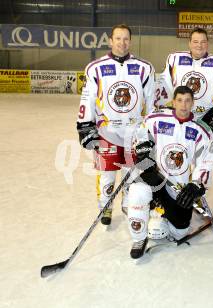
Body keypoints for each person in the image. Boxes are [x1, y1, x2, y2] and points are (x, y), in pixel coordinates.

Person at [76, 24, 156, 225]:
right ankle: (106, 207)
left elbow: (152, 101)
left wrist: (150, 132)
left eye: (126, 39)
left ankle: (128, 205)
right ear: (111, 41)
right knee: (107, 177)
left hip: (134, 133)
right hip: (107, 132)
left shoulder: (144, 68)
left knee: (132, 177)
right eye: (118, 39)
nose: (122, 43)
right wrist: (85, 125)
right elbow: (88, 98)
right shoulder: (96, 68)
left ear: (131, 41)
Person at [126, 86, 213, 259]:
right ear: (173, 102)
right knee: (137, 192)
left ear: (193, 103)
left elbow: (206, 162)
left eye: (188, 100)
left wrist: (196, 185)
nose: (183, 105)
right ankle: (139, 238)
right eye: (180, 100)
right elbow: (140, 134)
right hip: (154, 176)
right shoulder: (155, 119)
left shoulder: (202, 131)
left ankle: (159, 211)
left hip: (177, 186)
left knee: (180, 232)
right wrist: (143, 153)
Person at [155, 27, 213, 143]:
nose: (199, 45)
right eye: (195, 42)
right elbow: (164, 85)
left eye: (203, 42)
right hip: (180, 115)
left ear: (208, 44)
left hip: (207, 119)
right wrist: (165, 110)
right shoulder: (174, 59)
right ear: (189, 43)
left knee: (205, 156)